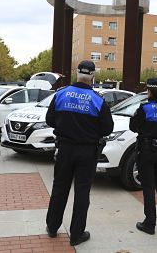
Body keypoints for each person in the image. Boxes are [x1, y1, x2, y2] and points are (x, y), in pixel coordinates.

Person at [45, 60, 114, 246]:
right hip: (87, 152)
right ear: (93, 75)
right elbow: (108, 128)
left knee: (59, 188)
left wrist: (65, 126)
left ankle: (52, 227)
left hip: (65, 149)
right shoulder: (98, 100)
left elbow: (49, 119)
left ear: (77, 73)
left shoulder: (61, 94)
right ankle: (76, 235)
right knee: (82, 192)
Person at [129, 78, 157, 235]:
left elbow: (132, 126)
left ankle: (149, 223)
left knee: (148, 187)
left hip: (147, 150)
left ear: (150, 91)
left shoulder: (145, 108)